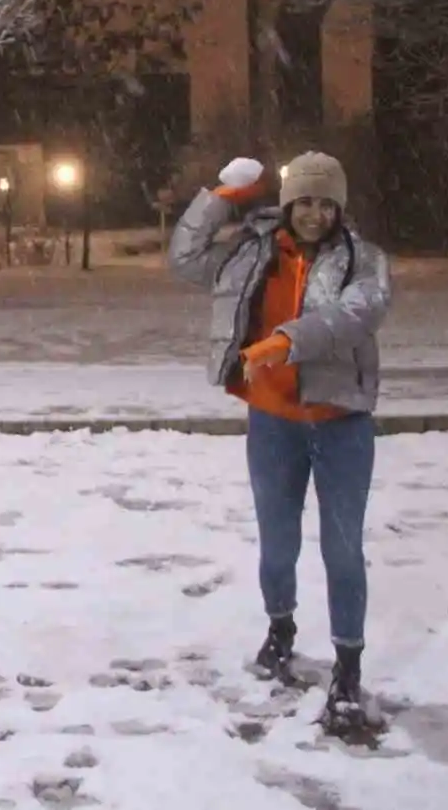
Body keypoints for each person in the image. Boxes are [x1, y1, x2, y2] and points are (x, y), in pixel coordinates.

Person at [167, 151, 391, 734]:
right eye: (304, 201)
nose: (314, 214)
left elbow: (352, 315)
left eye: (326, 202)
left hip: (341, 423)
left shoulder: (363, 261)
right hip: (273, 422)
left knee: (342, 551)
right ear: (287, 204)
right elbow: (185, 257)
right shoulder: (251, 250)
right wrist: (220, 196)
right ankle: (280, 629)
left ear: (339, 207)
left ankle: (348, 668)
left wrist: (287, 341)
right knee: (277, 543)